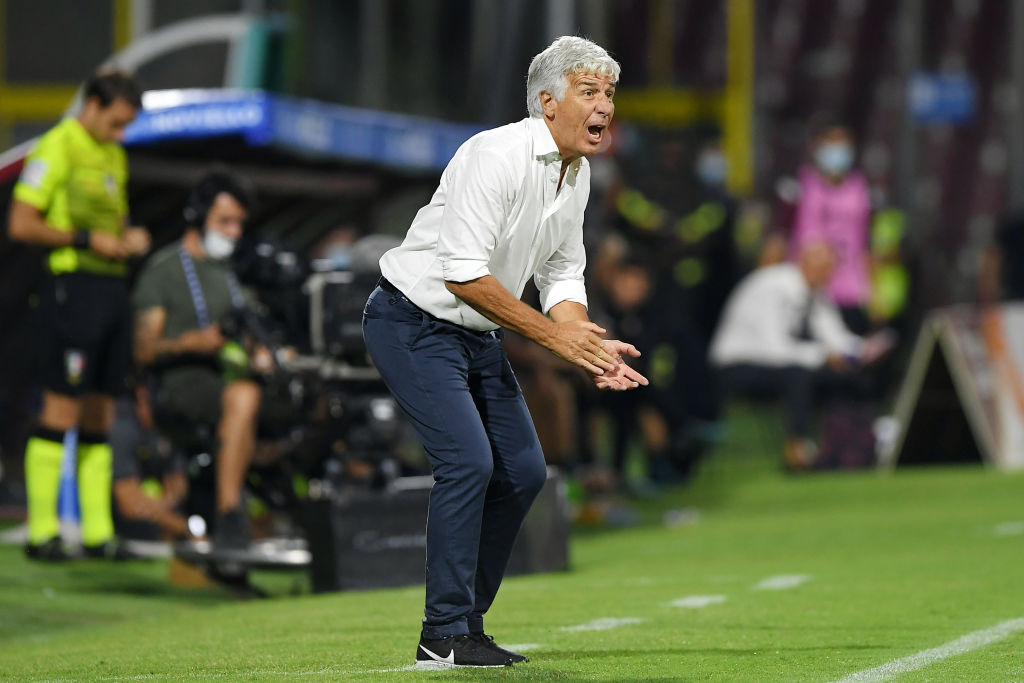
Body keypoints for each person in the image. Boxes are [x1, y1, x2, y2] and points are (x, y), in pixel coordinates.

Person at [363, 36, 647, 669]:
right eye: (589, 92)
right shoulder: (493, 155)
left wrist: (589, 349)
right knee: (467, 462)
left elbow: (563, 277)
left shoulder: (579, 171)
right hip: (412, 321)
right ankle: (441, 635)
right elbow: (463, 275)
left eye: (609, 94)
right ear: (548, 102)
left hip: (477, 333)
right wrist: (555, 338)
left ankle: (466, 624)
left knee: (522, 472)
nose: (604, 106)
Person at [8, 70, 150, 561]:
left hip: (111, 290)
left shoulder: (113, 154)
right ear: (91, 105)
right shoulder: (57, 146)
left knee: (100, 411)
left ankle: (97, 534)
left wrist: (131, 238)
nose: (119, 134)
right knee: (60, 407)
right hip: (71, 288)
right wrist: (87, 240)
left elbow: (119, 221)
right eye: (114, 122)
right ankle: (42, 532)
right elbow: (22, 223)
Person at [132, 171, 263, 550]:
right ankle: (229, 514)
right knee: (243, 396)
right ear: (197, 217)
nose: (235, 231)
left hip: (233, 375)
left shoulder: (232, 272)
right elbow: (142, 350)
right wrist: (190, 342)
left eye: (239, 222)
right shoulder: (164, 270)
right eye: (225, 221)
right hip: (182, 383)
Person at [709, 242, 891, 469]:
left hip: (781, 363)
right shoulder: (772, 286)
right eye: (824, 267)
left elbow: (834, 335)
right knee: (799, 375)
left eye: (830, 268)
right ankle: (797, 450)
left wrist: (864, 351)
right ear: (804, 262)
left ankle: (851, 445)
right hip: (736, 365)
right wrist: (825, 356)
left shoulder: (815, 291)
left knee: (849, 374)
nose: (827, 274)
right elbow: (773, 349)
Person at [789, 124, 872, 333]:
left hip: (851, 288)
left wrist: (870, 284)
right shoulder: (804, 185)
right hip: (813, 287)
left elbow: (863, 240)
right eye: (831, 143)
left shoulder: (859, 186)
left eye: (842, 144)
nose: (837, 151)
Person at [110, 382, 190, 541]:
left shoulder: (170, 425)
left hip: (158, 520)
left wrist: (161, 505)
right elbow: (129, 505)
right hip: (120, 527)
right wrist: (182, 527)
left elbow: (179, 485)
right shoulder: (121, 425)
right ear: (142, 395)